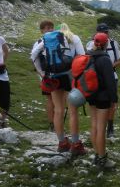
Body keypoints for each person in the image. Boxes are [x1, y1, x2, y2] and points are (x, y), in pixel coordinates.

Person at [31, 22, 86, 155]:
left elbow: (33, 55)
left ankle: (62, 143)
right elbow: (83, 56)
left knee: (58, 110)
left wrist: (42, 74)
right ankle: (76, 144)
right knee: (72, 111)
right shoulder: (74, 38)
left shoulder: (45, 40)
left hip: (53, 77)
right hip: (70, 75)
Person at [86, 32, 118, 169]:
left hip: (91, 95)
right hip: (103, 98)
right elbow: (110, 82)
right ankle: (102, 159)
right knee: (101, 128)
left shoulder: (88, 56)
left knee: (94, 125)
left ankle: (96, 154)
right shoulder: (105, 59)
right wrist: (114, 99)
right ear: (106, 44)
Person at [86, 23, 120, 138]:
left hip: (111, 76)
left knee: (111, 103)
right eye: (102, 32)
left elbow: (119, 61)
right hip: (94, 79)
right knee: (97, 104)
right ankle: (99, 131)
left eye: (106, 32)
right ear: (97, 33)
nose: (105, 34)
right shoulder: (90, 44)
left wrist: (108, 68)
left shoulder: (113, 43)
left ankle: (110, 128)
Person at [31, 20, 56, 130]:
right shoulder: (38, 43)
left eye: (51, 27)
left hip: (56, 73)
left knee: (57, 99)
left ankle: (56, 123)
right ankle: (52, 123)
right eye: (47, 28)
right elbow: (34, 59)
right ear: (41, 30)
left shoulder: (56, 40)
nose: (50, 30)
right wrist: (41, 74)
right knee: (50, 99)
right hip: (46, 74)